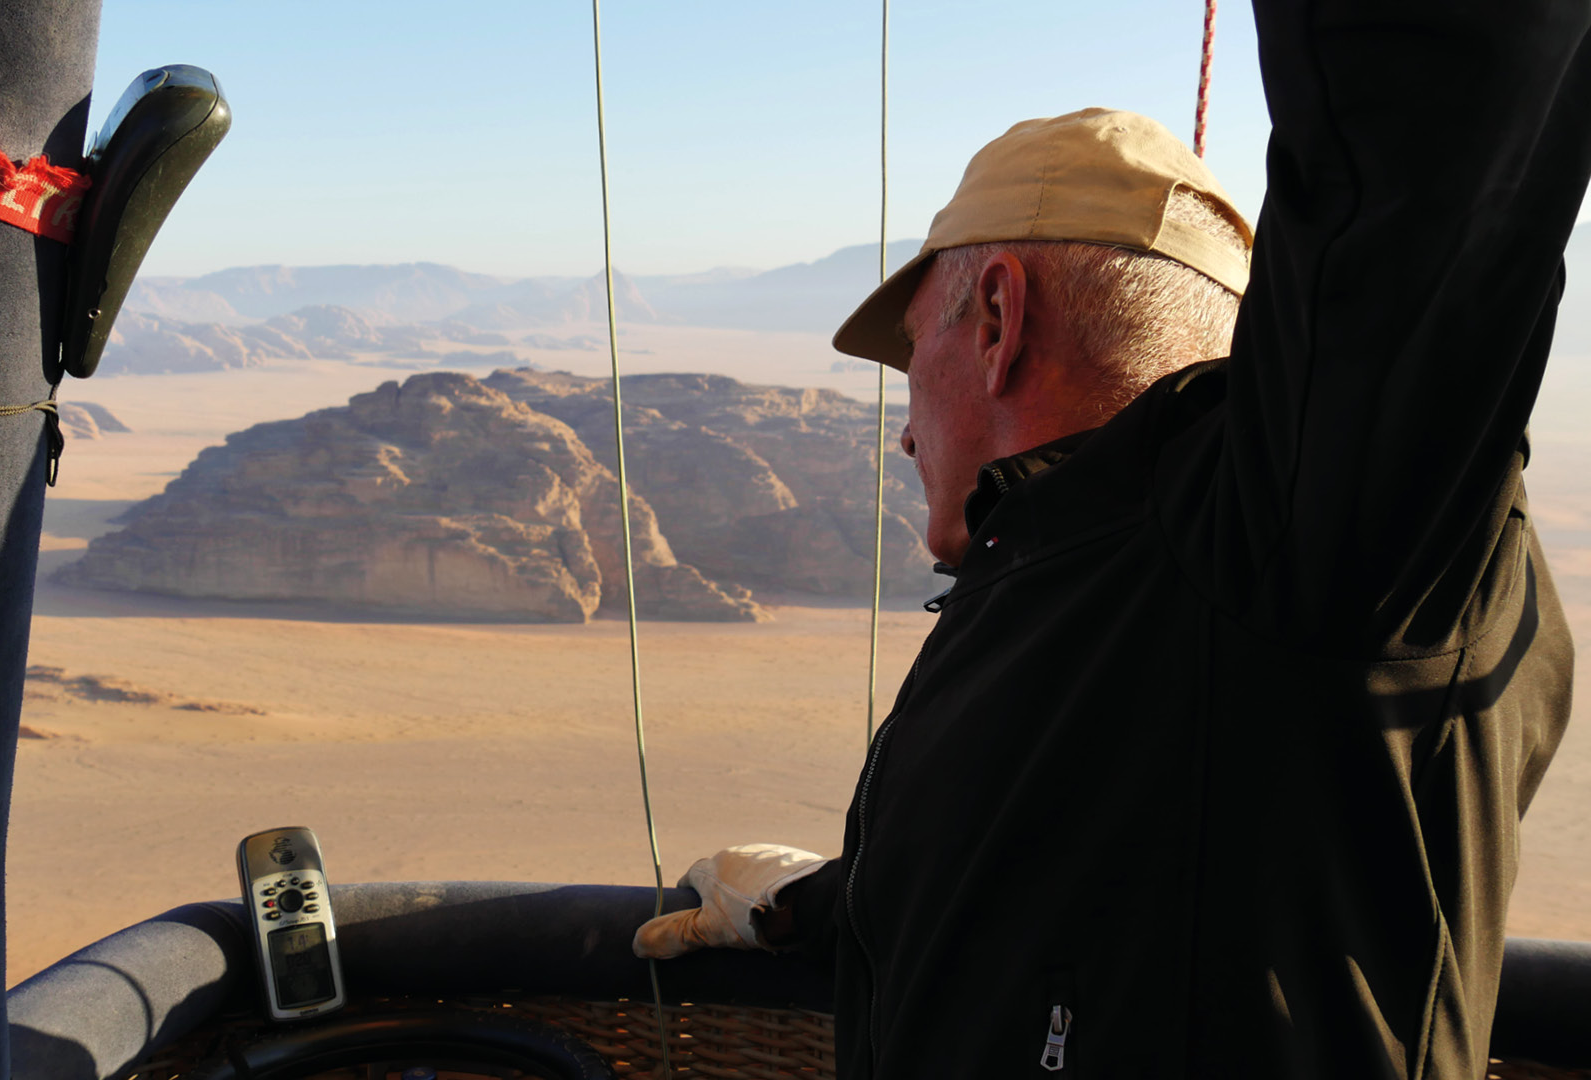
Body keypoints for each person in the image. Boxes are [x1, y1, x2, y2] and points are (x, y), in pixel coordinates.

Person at [633, 3, 1588, 1077]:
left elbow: (1438, 107)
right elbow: (1096, 859)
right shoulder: (1059, 571)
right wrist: (829, 901)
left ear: (997, 321)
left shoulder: (1309, 551)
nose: (903, 430)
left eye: (911, 353)